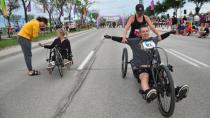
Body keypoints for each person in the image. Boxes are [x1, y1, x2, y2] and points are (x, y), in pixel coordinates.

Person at [104, 26, 189, 102]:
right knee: (145, 76)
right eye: (143, 32)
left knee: (162, 76)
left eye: (146, 31)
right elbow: (123, 40)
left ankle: (175, 91)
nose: (145, 33)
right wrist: (111, 37)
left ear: (149, 32)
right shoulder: (134, 41)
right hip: (141, 67)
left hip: (154, 66)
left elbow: (161, 37)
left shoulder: (153, 39)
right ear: (140, 34)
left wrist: (169, 33)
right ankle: (147, 92)